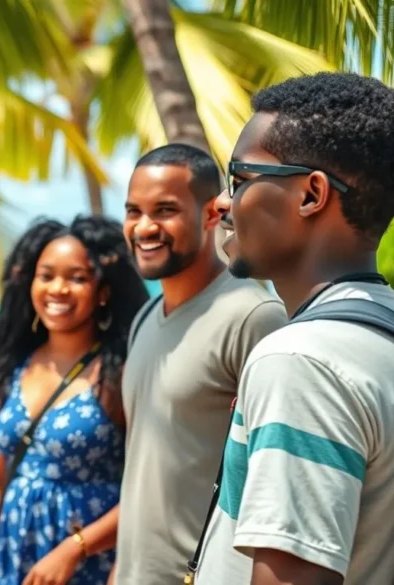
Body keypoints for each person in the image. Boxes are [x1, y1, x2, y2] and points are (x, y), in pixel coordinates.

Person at [195, 72, 394, 585]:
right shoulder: (393, 332)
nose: (224, 205)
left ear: (311, 194)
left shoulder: (302, 361)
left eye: (241, 180)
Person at [111, 144, 287, 585]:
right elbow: (146, 466)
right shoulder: (145, 319)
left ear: (212, 214)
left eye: (165, 210)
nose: (144, 227)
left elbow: (276, 480)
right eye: (134, 211)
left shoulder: (253, 315)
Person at [0, 216, 149, 585]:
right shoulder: (11, 367)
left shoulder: (117, 374)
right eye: (47, 275)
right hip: (13, 556)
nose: (58, 289)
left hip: (90, 563)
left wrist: (75, 548)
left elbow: (145, 486)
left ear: (102, 292)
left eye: (77, 278)